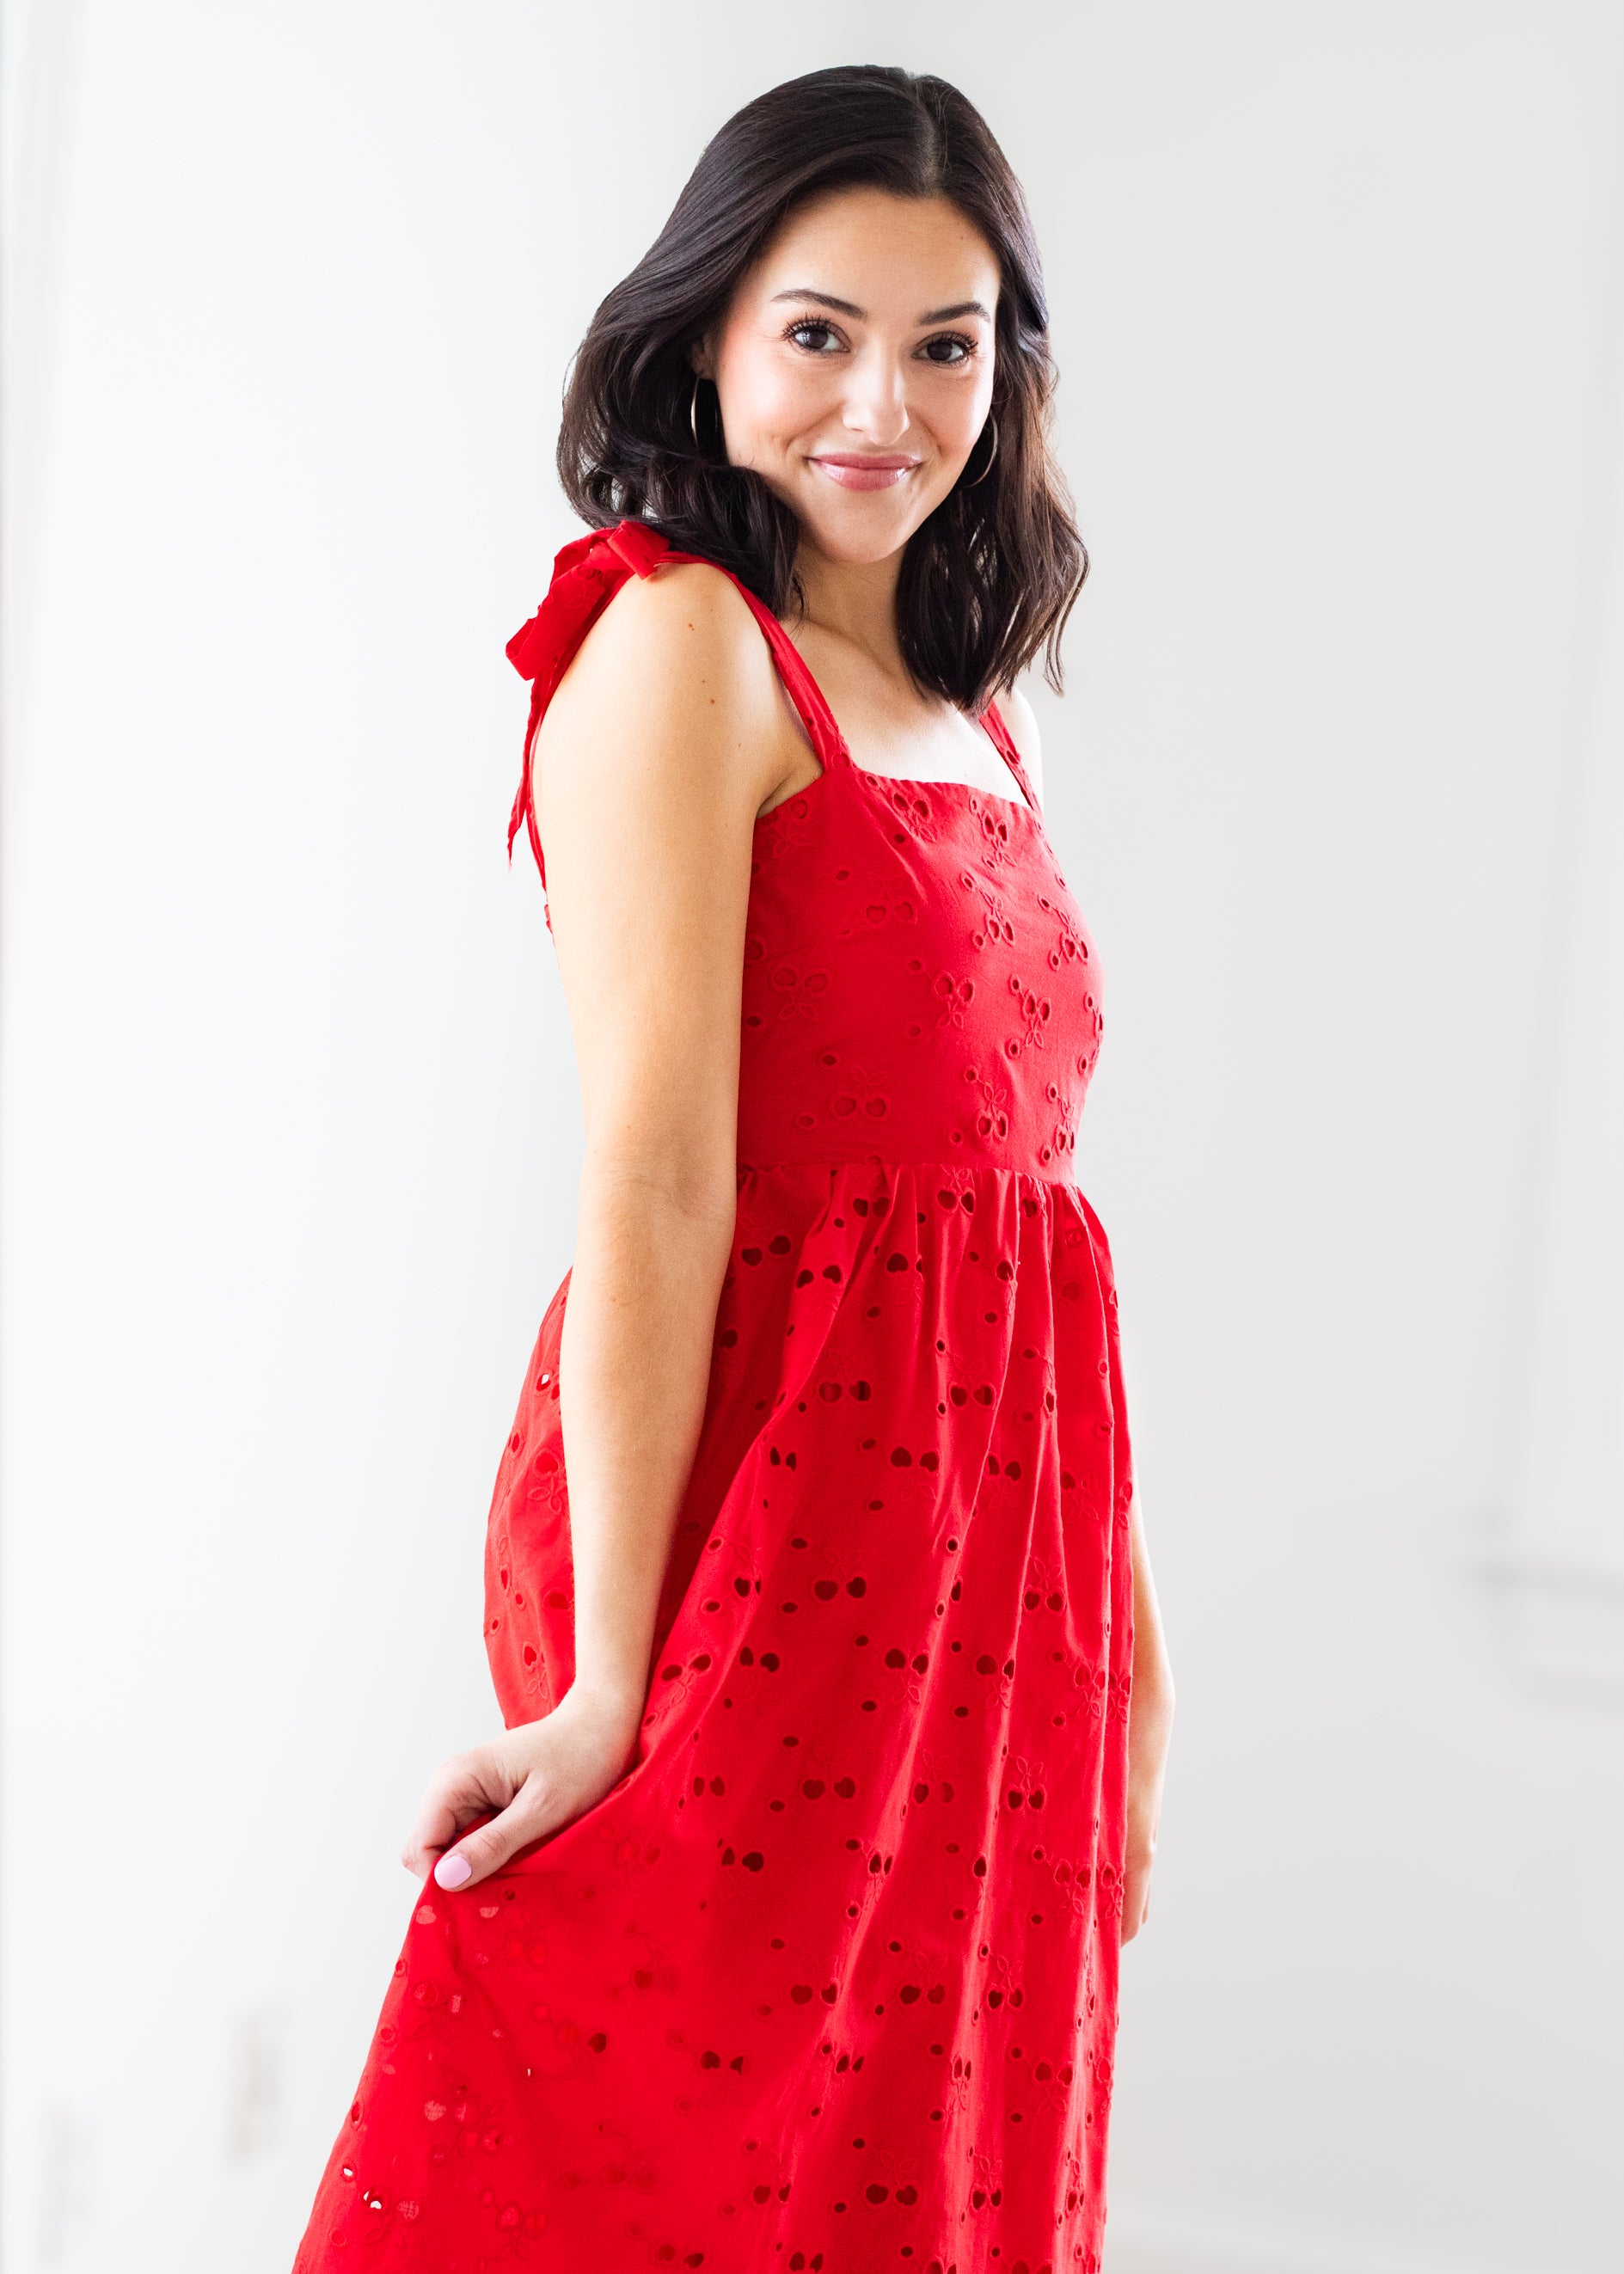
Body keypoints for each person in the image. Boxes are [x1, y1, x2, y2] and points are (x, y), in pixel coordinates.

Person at [293, 62, 1174, 2274]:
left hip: (996, 1564)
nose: (887, 405)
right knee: (687, 2150)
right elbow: (656, 1178)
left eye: (946, 345)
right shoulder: (685, 642)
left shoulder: (976, 705)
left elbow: (1034, 1215)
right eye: (819, 333)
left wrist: (1130, 1641)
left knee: (905, 2160)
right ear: (704, 336)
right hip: (763, 1511)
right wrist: (607, 1679)